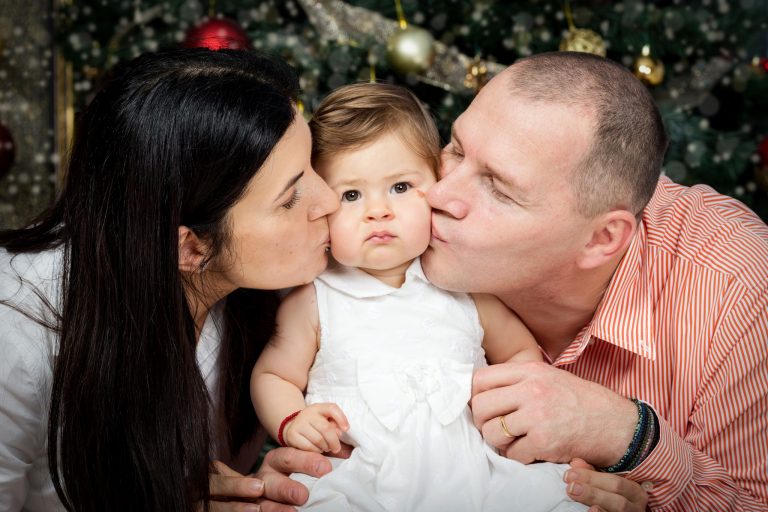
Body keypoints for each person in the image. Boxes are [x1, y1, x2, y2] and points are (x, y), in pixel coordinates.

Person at [422, 50, 768, 511]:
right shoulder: (382, 224)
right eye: (456, 149)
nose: (440, 194)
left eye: (499, 188)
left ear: (602, 239)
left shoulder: (739, 289)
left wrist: (631, 437)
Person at [0, 48, 343, 512]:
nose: (331, 200)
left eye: (314, 166)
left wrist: (258, 488)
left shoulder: (286, 285)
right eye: (290, 198)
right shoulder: (14, 337)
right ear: (191, 248)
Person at [251, 82, 585, 512]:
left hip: (474, 464)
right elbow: (275, 375)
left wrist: (513, 407)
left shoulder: (461, 285)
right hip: (362, 472)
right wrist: (293, 420)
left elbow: (519, 349)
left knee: (553, 499)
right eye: (351, 195)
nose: (379, 210)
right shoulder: (316, 298)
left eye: (402, 187)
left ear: (438, 185)